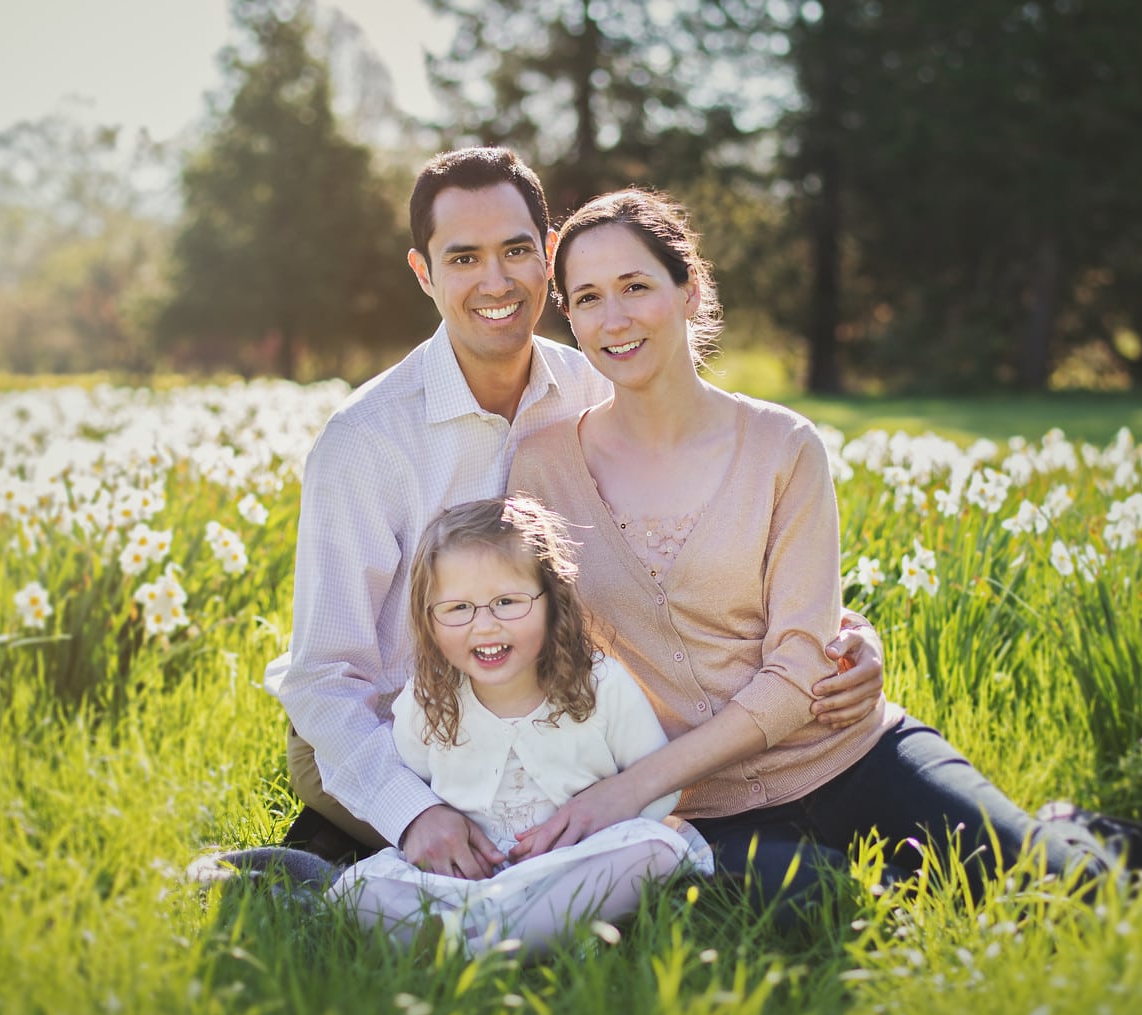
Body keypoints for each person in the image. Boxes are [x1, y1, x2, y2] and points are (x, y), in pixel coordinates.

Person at [506, 189, 1142, 913]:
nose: (614, 318)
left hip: (846, 752)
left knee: (1072, 897)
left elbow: (797, 670)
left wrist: (632, 785)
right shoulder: (541, 468)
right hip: (703, 811)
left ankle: (1077, 834)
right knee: (834, 908)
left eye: (636, 286)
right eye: (587, 298)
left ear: (688, 289)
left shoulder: (784, 447)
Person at [262, 147, 887, 881]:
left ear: (549, 255)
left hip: (547, 721)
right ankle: (333, 870)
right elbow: (325, 677)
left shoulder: (597, 383)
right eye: (463, 258)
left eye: (517, 250)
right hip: (401, 732)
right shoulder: (366, 441)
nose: (495, 282)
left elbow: (707, 525)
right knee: (543, 869)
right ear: (424, 273)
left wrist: (839, 639)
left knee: (578, 846)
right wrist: (411, 808)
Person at [324, 495, 709, 956]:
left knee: (654, 851)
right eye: (458, 608)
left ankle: (485, 943)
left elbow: (657, 786)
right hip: (466, 881)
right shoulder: (428, 701)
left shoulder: (600, 685)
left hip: (570, 868)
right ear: (429, 619)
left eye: (507, 602)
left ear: (552, 602)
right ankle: (517, 937)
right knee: (360, 891)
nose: (484, 626)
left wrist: (602, 836)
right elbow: (409, 777)